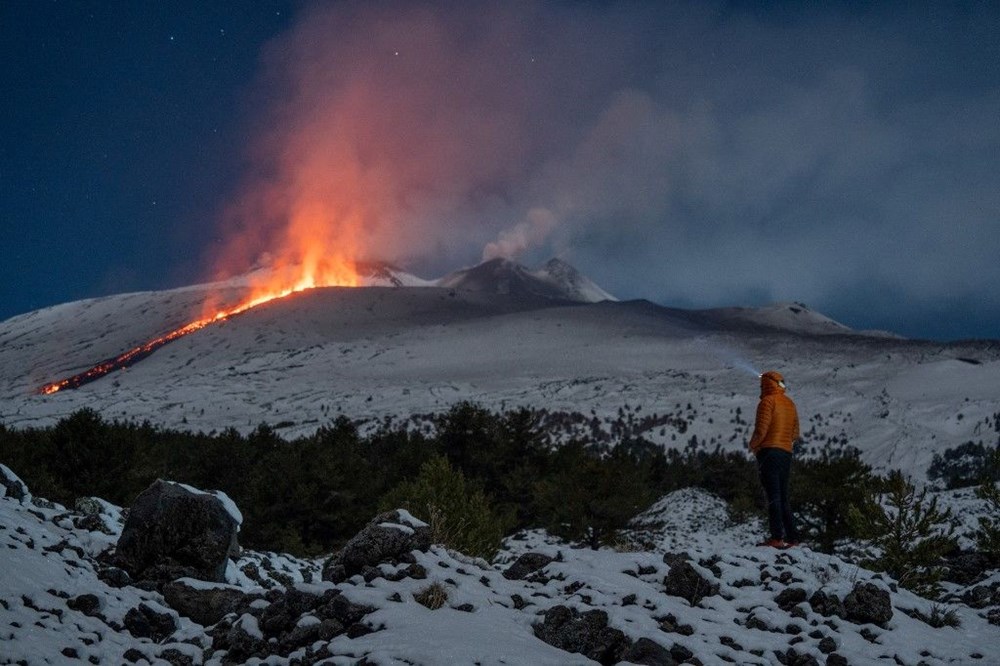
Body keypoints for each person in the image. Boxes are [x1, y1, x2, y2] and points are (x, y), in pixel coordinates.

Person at [748, 370, 800, 548]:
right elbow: (795, 433)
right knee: (783, 497)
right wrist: (784, 443)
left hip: (769, 452)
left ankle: (776, 538)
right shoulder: (790, 403)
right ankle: (793, 539)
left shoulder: (767, 402)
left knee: (773, 497)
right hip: (786, 453)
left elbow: (761, 430)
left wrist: (754, 445)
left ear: (766, 384)